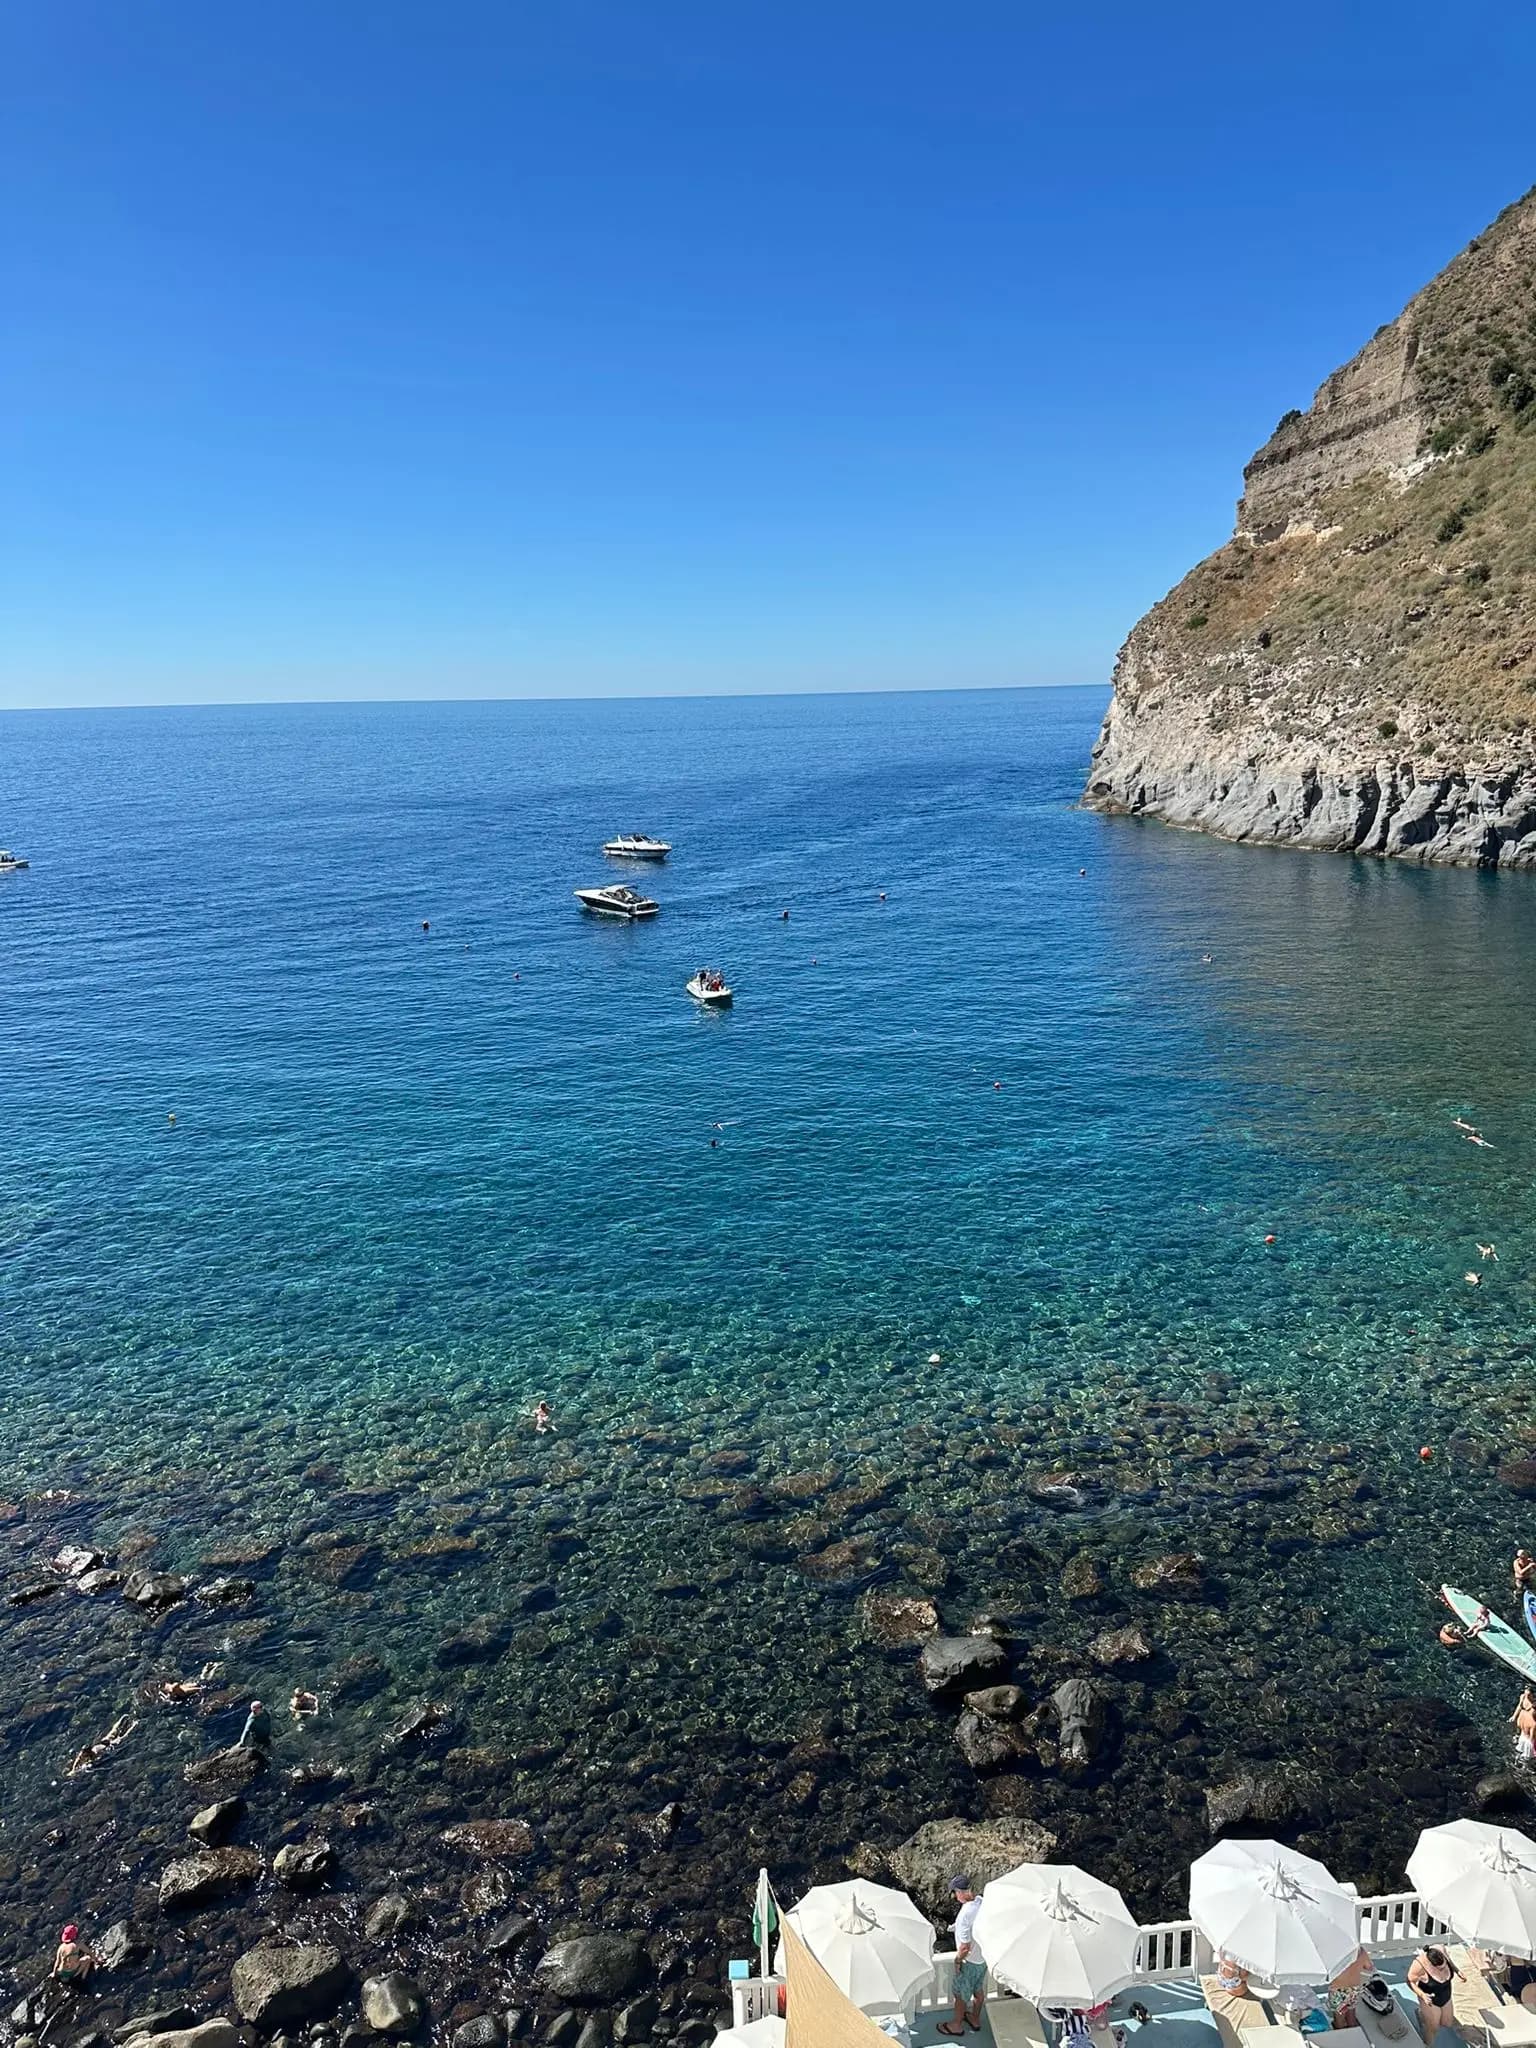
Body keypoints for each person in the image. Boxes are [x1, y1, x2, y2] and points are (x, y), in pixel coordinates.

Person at [939, 1876, 985, 2036]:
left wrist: (958, 1961)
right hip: (982, 1958)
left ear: (960, 1892)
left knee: (960, 1995)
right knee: (978, 1989)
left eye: (954, 1892)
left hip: (969, 1961)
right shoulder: (981, 1902)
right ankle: (975, 2018)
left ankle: (956, 2026)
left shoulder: (966, 1913)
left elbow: (965, 1947)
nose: (954, 1896)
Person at [1407, 1947, 1458, 2041]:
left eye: (1444, 1965)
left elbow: (1450, 1962)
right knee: (1433, 2028)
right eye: (1440, 1968)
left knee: (1447, 2023)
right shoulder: (1419, 1965)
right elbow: (1410, 1981)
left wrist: (1457, 1971)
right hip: (1431, 2000)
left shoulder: (1441, 1950)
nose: (1443, 1969)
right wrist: (1422, 1995)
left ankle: (1422, 2013)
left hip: (1446, 1995)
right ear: (1431, 1965)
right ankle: (1427, 2044)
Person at [1512, 1687, 1536, 1761]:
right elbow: (1519, 1706)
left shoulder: (1527, 1714)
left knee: (1521, 1753)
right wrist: (1514, 1716)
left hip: (1525, 1735)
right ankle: (1522, 1767)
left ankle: (1518, 1761)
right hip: (1527, 1738)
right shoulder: (1523, 1697)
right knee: (1524, 1757)